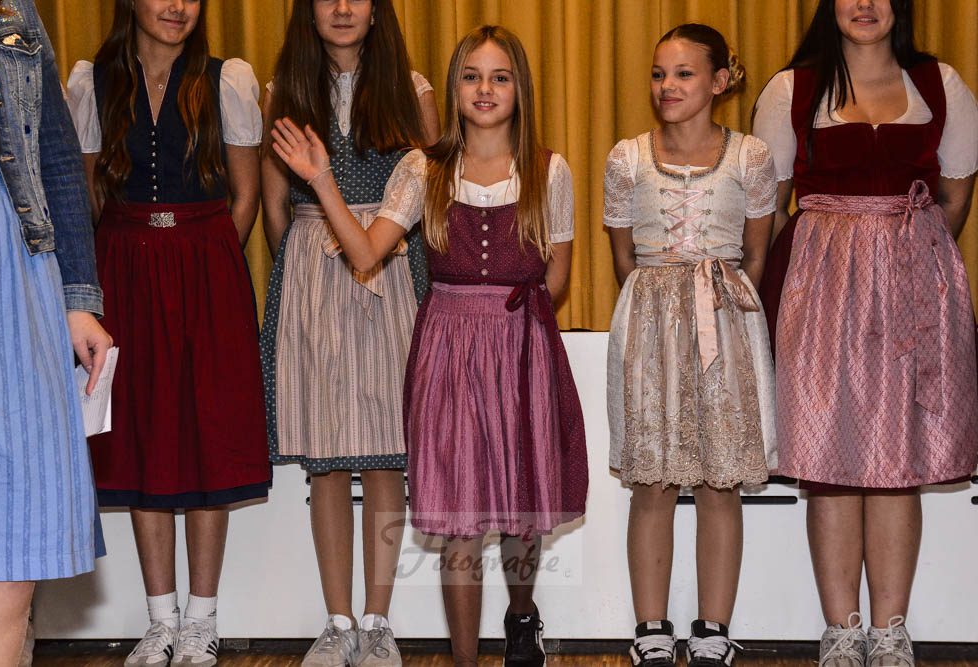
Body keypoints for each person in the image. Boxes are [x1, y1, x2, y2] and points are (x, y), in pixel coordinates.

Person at [271, 24, 589, 667]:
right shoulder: (424, 168)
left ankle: (521, 614)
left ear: (520, 89)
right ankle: (465, 659)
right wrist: (324, 182)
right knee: (459, 514)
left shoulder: (549, 170)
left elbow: (555, 278)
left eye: (500, 77)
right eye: (472, 76)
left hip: (520, 346)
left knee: (522, 502)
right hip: (447, 349)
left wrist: (508, 326)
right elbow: (366, 253)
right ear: (452, 87)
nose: (485, 89)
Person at [752, 1, 978, 665]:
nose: (865, 4)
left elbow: (955, 200)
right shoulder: (790, 90)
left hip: (914, 285)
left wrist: (898, 248)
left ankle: (890, 631)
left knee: (897, 462)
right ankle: (842, 631)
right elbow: (769, 206)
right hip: (820, 286)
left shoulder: (942, 84)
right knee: (829, 460)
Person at [66, 0, 270, 664]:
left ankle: (201, 620)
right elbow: (88, 194)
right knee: (144, 432)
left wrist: (205, 262)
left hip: (206, 266)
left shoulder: (226, 79)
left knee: (207, 433)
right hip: (124, 267)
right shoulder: (93, 82)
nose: (177, 6)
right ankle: (161, 620)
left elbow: (245, 194)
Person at [259, 0, 437, 663]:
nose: (341, 8)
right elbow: (276, 205)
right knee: (326, 454)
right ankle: (337, 621)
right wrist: (301, 275)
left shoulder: (411, 90)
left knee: (386, 449)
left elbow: (427, 198)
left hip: (388, 264)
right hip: (313, 265)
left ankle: (377, 620)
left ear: (376, 11)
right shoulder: (283, 89)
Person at [604, 23, 776, 667]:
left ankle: (712, 630)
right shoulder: (626, 159)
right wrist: (662, 306)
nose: (667, 86)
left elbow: (755, 255)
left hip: (725, 326)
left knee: (718, 482)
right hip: (649, 325)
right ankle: (650, 629)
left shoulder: (751, 157)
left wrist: (716, 305)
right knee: (650, 481)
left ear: (719, 81)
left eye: (683, 73)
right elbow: (625, 259)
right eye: (658, 74)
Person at [0, 0, 112, 664]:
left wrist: (77, 297)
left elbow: (57, 156)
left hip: (11, 252)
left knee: (16, 525)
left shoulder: (14, 10)